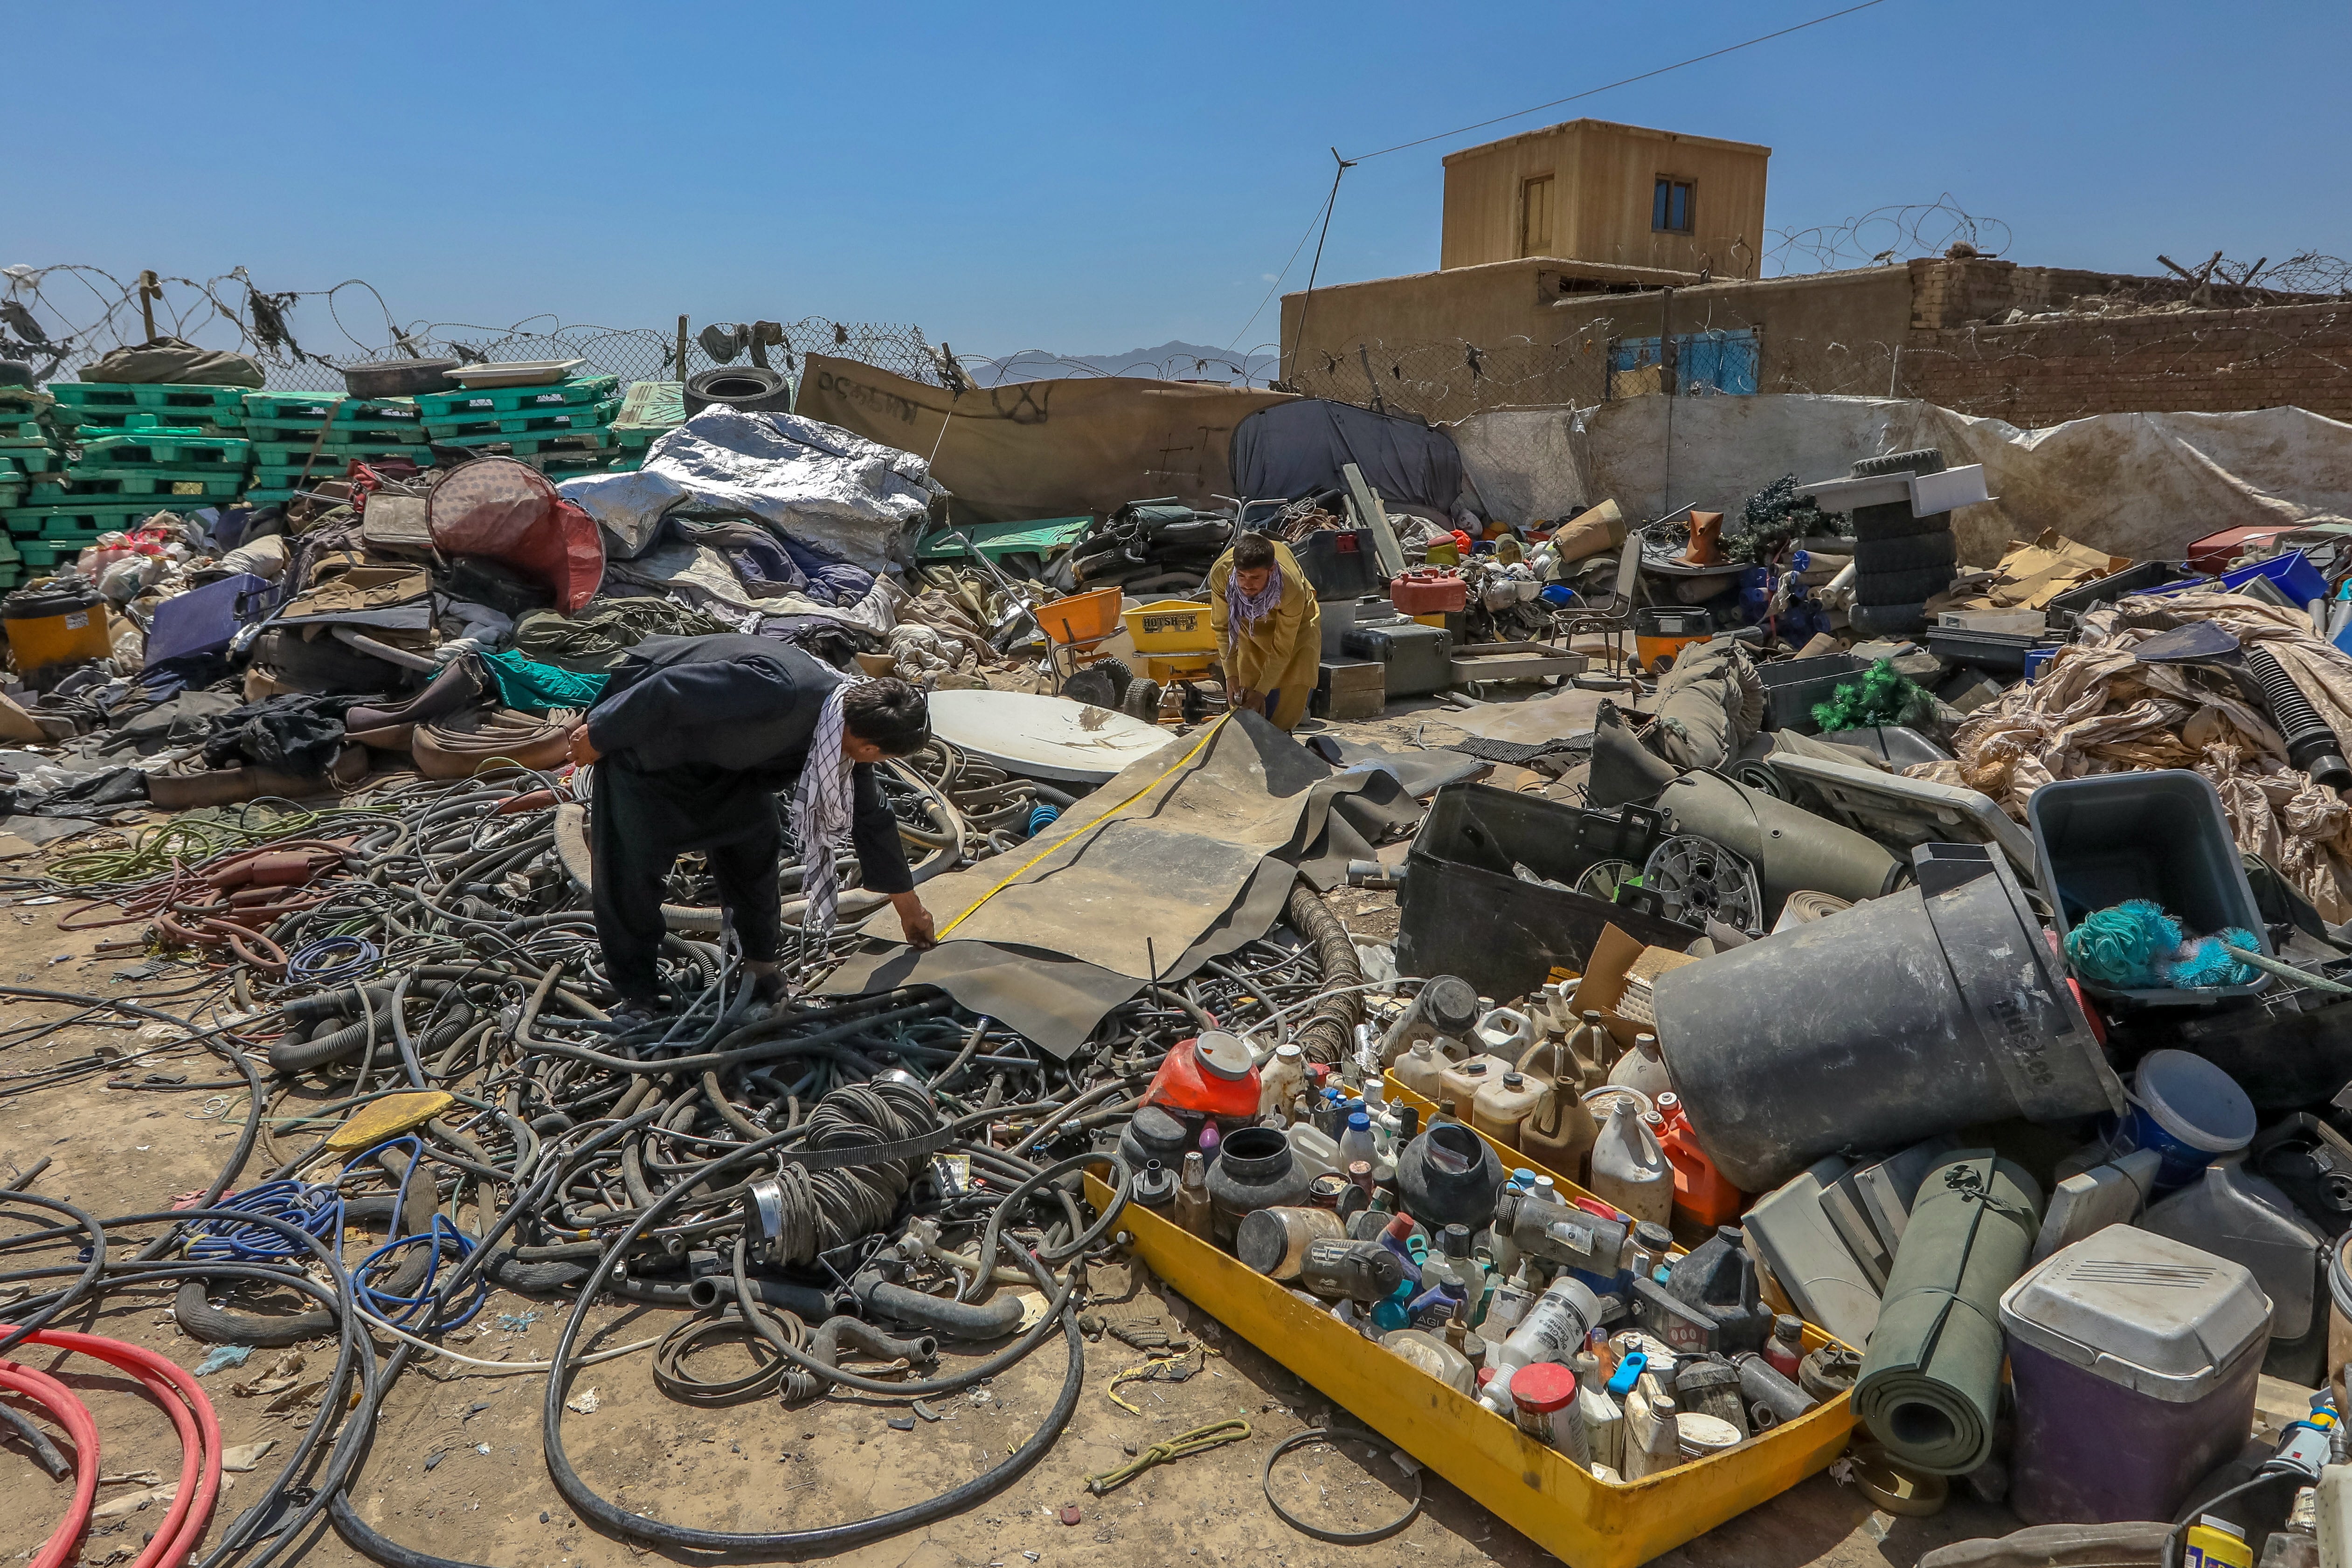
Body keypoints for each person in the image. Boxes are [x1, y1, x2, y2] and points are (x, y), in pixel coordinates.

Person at [565, 634, 937, 1018]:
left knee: (756, 842)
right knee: (631, 869)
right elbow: (670, 689)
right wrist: (601, 732)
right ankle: (636, 991)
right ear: (871, 748)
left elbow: (872, 817)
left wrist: (910, 909)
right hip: (649, 744)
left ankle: (759, 962)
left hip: (725, 766)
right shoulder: (781, 691)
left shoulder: (844, 730)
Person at [1206, 532, 1321, 731]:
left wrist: (1262, 692)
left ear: (1271, 570)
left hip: (1296, 624)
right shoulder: (1221, 575)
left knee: (1296, 673)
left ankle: (1283, 735)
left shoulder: (1291, 589)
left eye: (1255, 577)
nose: (1247, 584)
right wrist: (1231, 676)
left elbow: (1282, 649)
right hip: (1248, 620)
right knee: (1246, 687)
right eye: (1241, 576)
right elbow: (1223, 628)